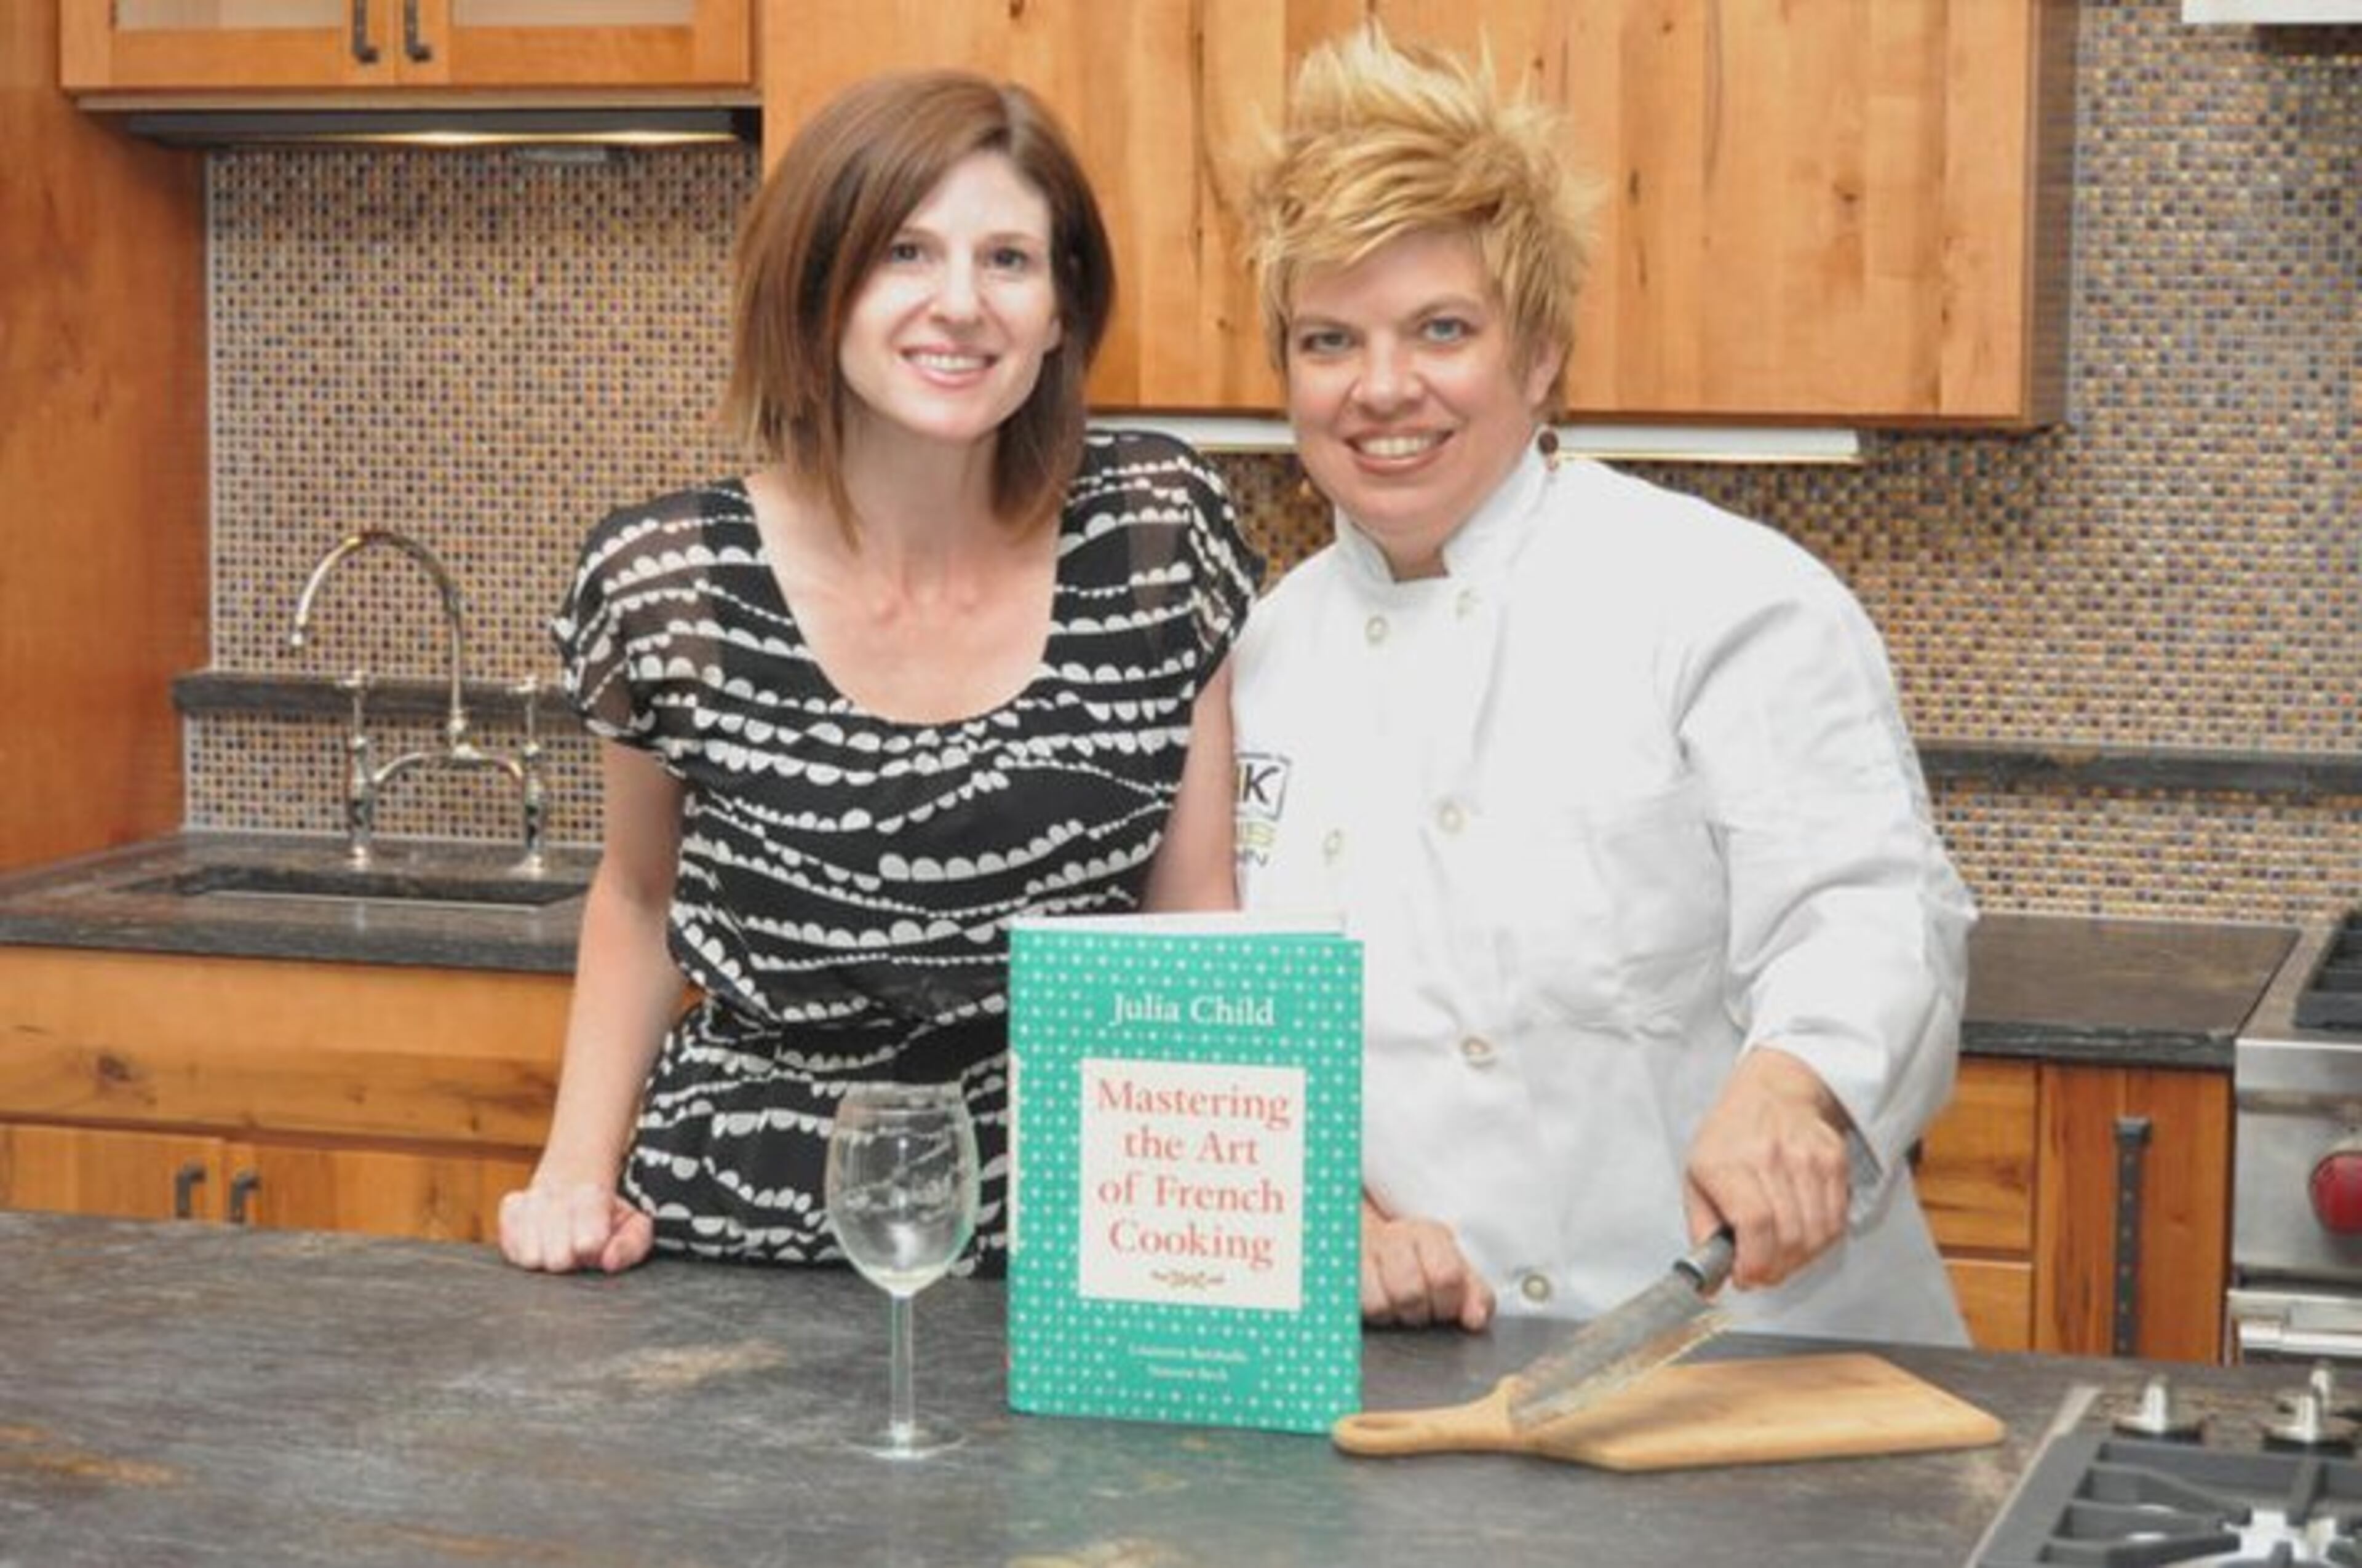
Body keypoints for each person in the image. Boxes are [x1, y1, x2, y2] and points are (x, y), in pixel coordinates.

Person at [1231, 28, 1976, 1343]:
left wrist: (1793, 1089)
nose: (1383, 387)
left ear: (1539, 354)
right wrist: (1336, 1218)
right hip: (1439, 1385)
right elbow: (1241, 1020)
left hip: (1761, 1365)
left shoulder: (1725, 599)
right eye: (1329, 339)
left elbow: (1871, 912)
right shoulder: (1263, 656)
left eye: (1442, 330)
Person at [499, 70, 1259, 1275]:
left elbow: (1193, 920)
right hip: (735, 1243)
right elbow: (643, 899)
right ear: (820, 289)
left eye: (1008, 259)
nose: (959, 304)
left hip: (1074, 1240)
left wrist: (1223, 1244)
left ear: (1061, 311)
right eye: (906, 252)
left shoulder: (1156, 533)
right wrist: (574, 1175)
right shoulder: (668, 582)